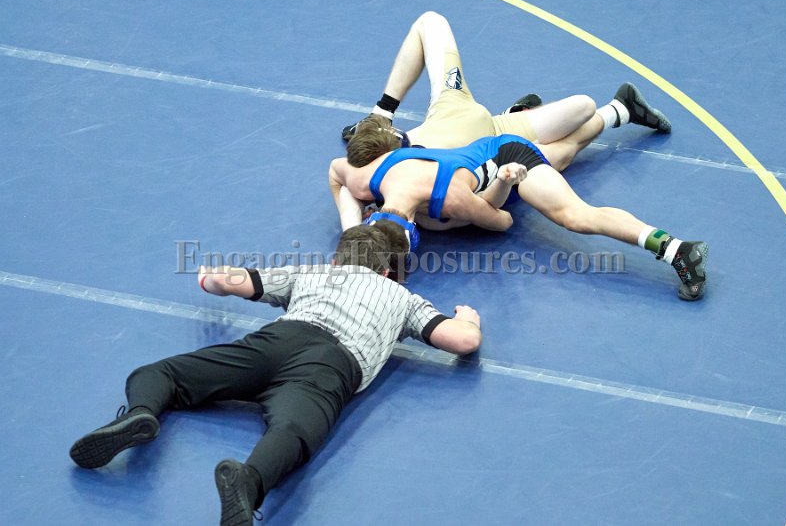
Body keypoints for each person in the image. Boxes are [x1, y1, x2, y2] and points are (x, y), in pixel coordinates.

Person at [68, 222, 482, 525]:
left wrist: (209, 278)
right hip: (331, 367)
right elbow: (462, 341)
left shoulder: (313, 271)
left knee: (163, 372)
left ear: (337, 260)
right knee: (294, 431)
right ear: (388, 272)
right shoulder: (403, 297)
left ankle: (141, 411)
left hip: (276, 342)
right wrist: (469, 318)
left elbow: (228, 281)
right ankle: (248, 483)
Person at [329, 121, 708, 301]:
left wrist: (503, 184)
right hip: (472, 162)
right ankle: (618, 111)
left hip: (507, 160)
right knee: (563, 154)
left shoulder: (452, 200)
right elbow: (335, 172)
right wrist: (351, 229)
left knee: (574, 216)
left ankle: (676, 249)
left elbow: (503, 222)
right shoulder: (365, 178)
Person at [341, 11, 671, 175]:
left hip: (459, 111)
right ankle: (620, 109)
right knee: (558, 153)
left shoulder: (407, 167)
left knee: (583, 106)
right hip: (496, 142)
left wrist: (381, 117)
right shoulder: (420, 171)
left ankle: (379, 113)